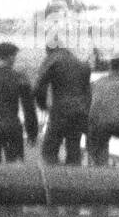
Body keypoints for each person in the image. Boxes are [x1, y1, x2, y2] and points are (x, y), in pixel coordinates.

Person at [33, 33, 92, 165]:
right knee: (73, 149)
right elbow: (88, 93)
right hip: (80, 112)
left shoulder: (53, 59)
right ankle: (74, 182)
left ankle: (53, 182)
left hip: (61, 111)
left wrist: (42, 105)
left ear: (49, 50)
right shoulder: (81, 63)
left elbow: (39, 87)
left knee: (49, 151)